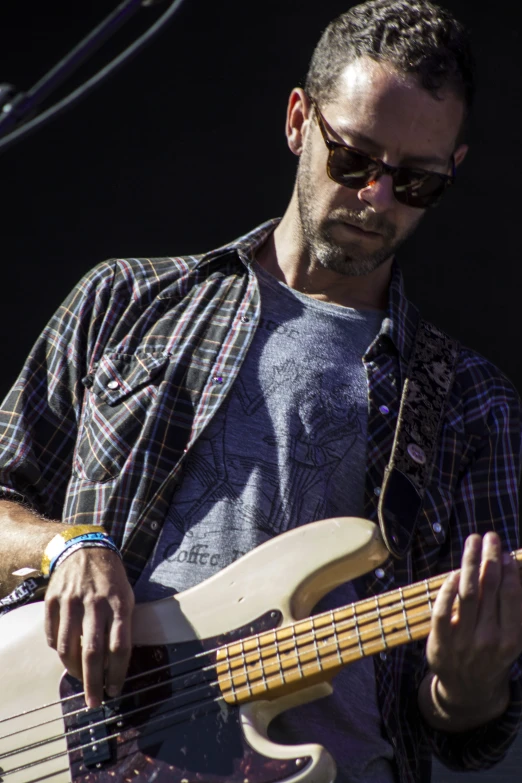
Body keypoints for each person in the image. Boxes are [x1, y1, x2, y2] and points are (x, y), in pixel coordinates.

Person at [0, 1, 521, 781]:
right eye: (354, 160)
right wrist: (68, 543)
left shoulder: (473, 405)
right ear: (297, 120)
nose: (378, 198)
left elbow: (463, 729)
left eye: (415, 181)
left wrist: (468, 683)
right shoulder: (123, 302)